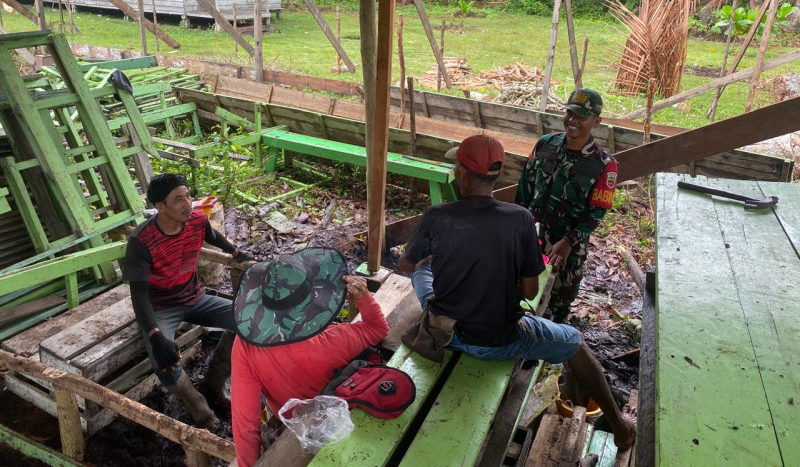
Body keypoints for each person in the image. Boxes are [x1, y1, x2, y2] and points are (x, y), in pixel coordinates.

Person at [399, 135, 635, 451]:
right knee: (575, 344)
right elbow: (530, 289)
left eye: (457, 165)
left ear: (463, 173)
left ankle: (444, 299)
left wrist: (440, 258)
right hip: (499, 340)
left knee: (423, 270)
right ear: (496, 174)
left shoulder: (438, 216)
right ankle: (621, 430)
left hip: (446, 331)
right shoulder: (520, 219)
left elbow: (405, 263)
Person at [230, 248, 389, 467]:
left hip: (293, 422)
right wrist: (363, 299)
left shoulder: (245, 345)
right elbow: (378, 328)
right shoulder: (336, 339)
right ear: (316, 299)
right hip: (337, 416)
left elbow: (246, 422)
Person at [123, 173, 254, 428]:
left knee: (248, 321)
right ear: (160, 206)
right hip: (160, 307)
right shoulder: (141, 241)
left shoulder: (196, 219)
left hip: (195, 296)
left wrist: (235, 252)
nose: (187, 204)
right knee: (165, 361)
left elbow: (212, 237)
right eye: (178, 199)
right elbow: (138, 294)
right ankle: (201, 411)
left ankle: (212, 387)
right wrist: (155, 334)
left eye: (188, 196)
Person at [516, 88, 618, 322]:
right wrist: (519, 227)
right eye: (570, 113)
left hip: (566, 250)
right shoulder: (545, 145)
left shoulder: (604, 164)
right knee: (521, 295)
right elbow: (525, 190)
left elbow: (597, 211)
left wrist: (569, 241)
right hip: (531, 239)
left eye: (581, 116)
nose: (573, 121)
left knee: (558, 303)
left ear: (596, 121)